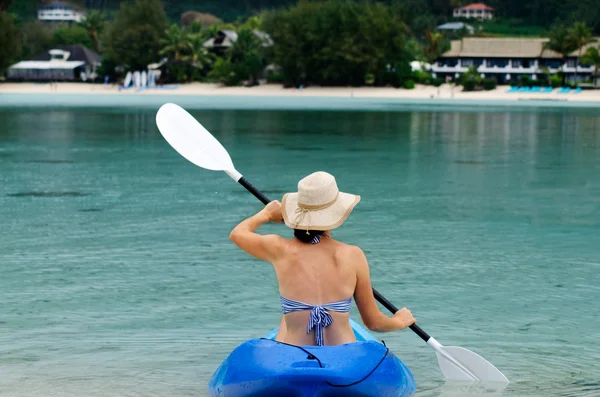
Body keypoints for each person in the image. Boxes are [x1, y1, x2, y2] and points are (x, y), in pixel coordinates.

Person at [229, 171, 416, 346]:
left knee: (288, 318)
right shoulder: (353, 255)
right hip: (343, 355)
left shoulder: (279, 249)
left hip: (294, 353)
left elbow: (237, 233)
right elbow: (374, 323)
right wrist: (399, 321)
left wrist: (266, 215)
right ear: (335, 213)